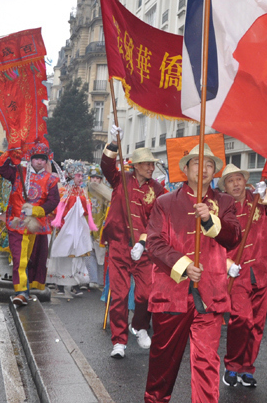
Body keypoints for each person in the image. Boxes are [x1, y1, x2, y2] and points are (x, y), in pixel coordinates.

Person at [144, 144, 241, 403]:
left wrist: (210, 221)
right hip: (171, 295)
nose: (204, 169)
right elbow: (154, 244)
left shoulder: (225, 202)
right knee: (163, 363)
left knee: (207, 363)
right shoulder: (164, 203)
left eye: (210, 164)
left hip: (211, 295)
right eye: (198, 163)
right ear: (185, 168)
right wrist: (183, 265)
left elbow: (233, 238)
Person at [220, 163, 267, 388]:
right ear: (225, 186)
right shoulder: (221, 206)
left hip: (262, 270)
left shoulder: (258, 198)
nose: (236, 184)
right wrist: (226, 262)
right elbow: (212, 240)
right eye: (230, 180)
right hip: (237, 273)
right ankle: (232, 365)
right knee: (241, 319)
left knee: (257, 324)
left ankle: (247, 368)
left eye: (238, 179)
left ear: (245, 180)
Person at [100, 125, 167, 359]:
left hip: (144, 251)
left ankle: (139, 326)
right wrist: (112, 143)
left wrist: (143, 242)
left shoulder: (159, 190)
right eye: (147, 164)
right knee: (119, 295)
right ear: (135, 165)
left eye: (153, 164)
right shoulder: (120, 180)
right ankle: (119, 341)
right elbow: (106, 166)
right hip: (118, 246)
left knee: (146, 294)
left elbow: (158, 221)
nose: (151, 167)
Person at [0, 142, 61, 306]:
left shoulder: (51, 180)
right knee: (19, 258)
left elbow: (54, 202)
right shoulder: (18, 173)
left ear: (46, 162)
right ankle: (21, 293)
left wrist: (37, 210)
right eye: (36, 159)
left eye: (42, 159)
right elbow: (1, 168)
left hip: (34, 225)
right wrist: (11, 152)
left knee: (28, 258)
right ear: (30, 160)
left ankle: (26, 288)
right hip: (15, 223)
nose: (39, 162)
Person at [47, 160, 97, 297]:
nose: (80, 178)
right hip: (65, 228)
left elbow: (87, 211)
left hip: (78, 229)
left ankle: (75, 284)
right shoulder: (63, 190)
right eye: (78, 176)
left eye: (82, 176)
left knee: (77, 257)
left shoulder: (82, 191)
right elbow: (56, 210)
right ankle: (61, 285)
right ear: (70, 175)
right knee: (63, 256)